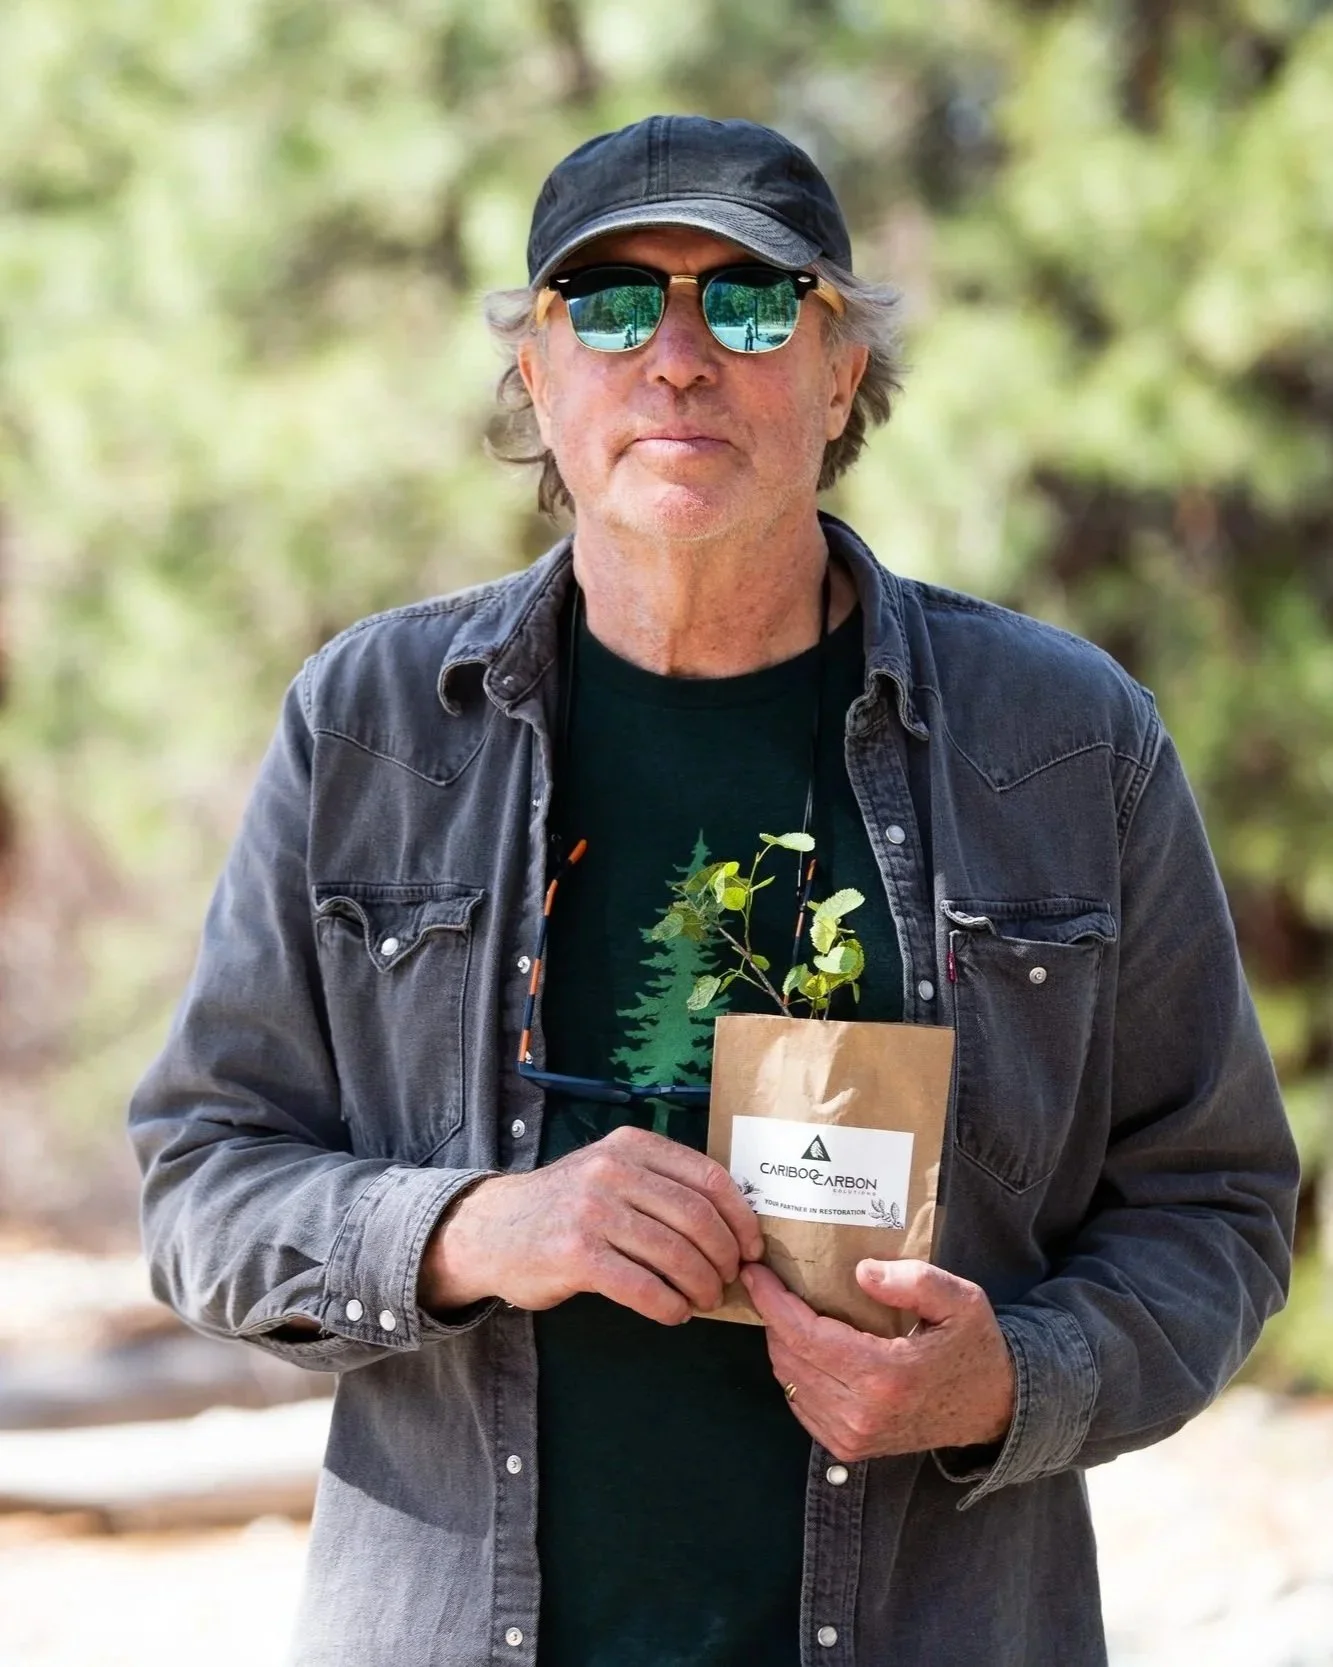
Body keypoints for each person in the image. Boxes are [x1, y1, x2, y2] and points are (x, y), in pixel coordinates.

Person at [130, 114, 1298, 1667]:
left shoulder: (1066, 743)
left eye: (748, 302)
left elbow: (1214, 1203)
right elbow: (203, 1176)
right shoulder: (372, 725)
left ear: (838, 375)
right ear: (537, 376)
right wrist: (473, 1227)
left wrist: (1007, 1381)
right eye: (611, 304)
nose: (677, 355)